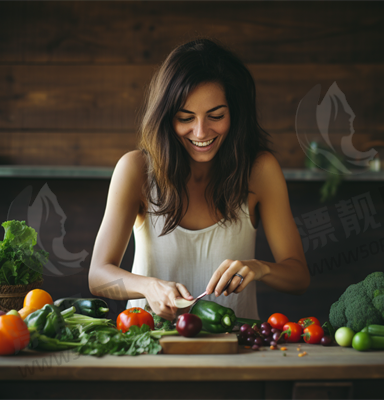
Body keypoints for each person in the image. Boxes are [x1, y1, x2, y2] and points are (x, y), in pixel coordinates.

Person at [89, 38, 310, 322]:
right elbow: (97, 276)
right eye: (186, 118)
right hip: (148, 347)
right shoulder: (135, 170)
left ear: (235, 113)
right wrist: (148, 286)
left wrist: (259, 268)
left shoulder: (260, 171)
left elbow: (299, 277)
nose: (201, 132)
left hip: (235, 352)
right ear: (166, 118)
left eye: (216, 115)